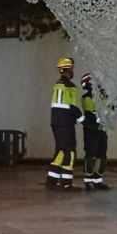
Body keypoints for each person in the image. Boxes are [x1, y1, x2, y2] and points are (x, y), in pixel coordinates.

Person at [46, 56, 83, 190]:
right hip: (66, 124)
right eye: (72, 68)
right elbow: (72, 107)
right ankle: (66, 183)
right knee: (69, 152)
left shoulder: (58, 85)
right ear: (69, 69)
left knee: (60, 151)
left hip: (56, 123)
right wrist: (85, 121)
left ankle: (52, 181)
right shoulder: (70, 87)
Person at [79, 73, 110, 191]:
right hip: (91, 130)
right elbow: (89, 114)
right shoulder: (86, 97)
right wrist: (101, 119)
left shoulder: (102, 96)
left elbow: (108, 109)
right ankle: (88, 181)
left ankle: (98, 181)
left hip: (101, 130)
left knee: (101, 155)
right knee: (90, 154)